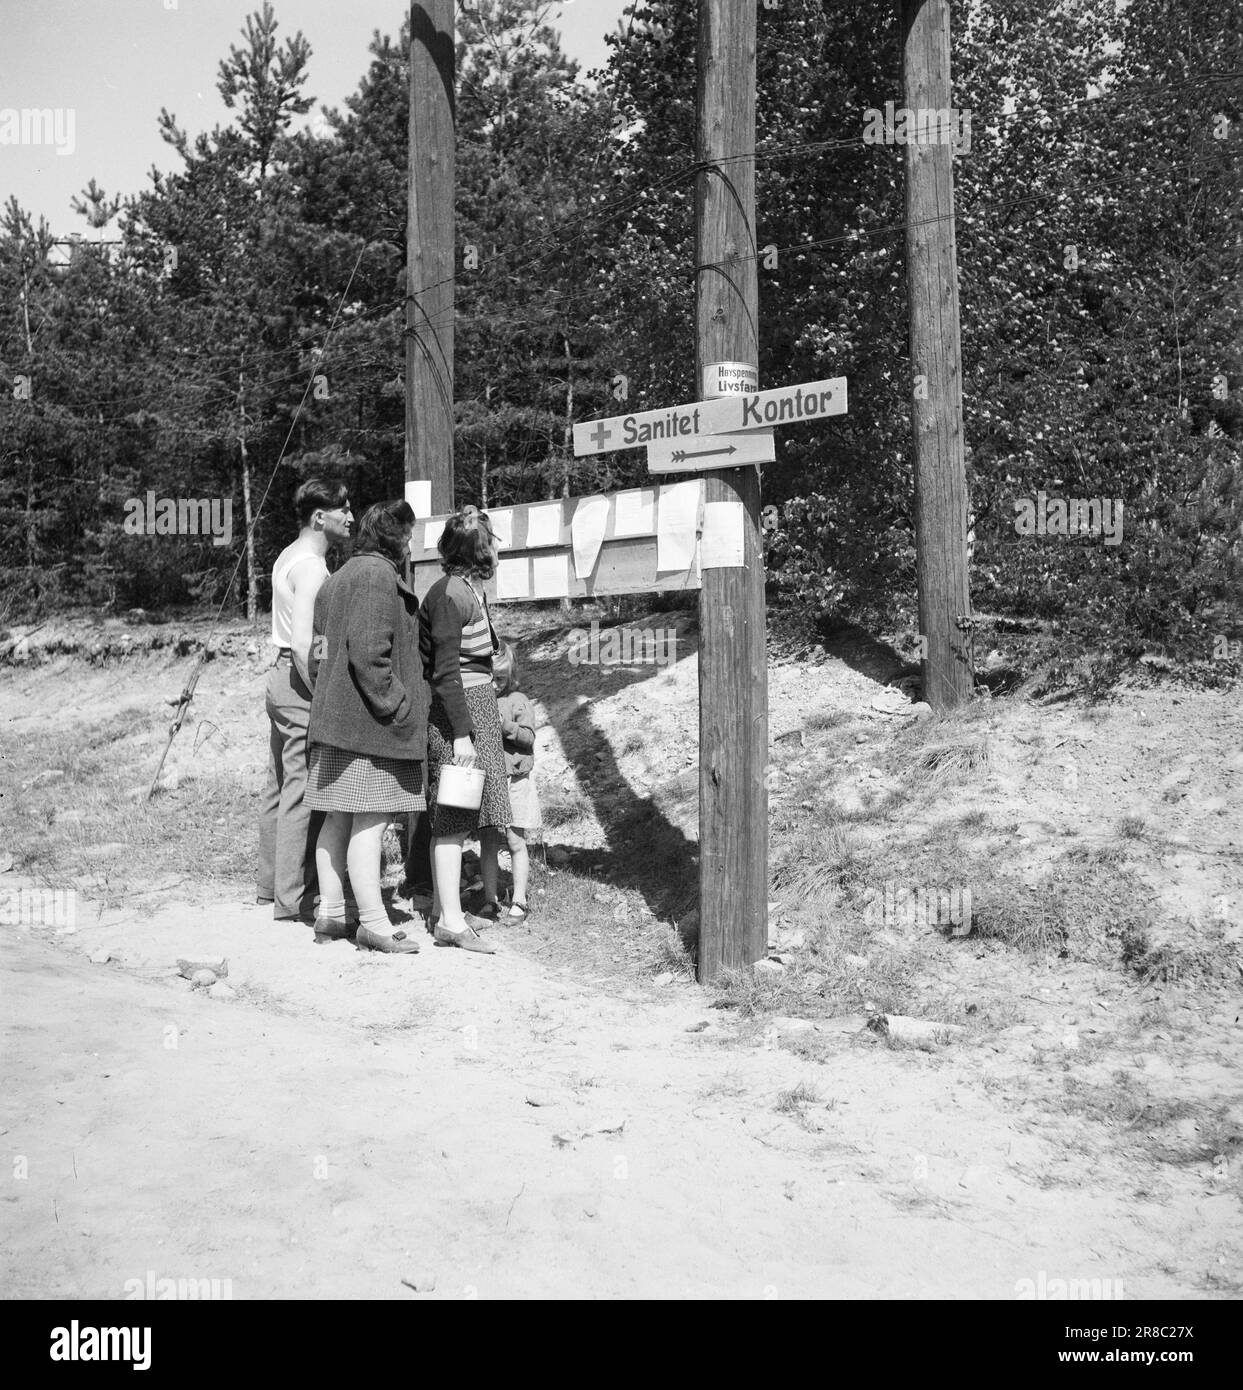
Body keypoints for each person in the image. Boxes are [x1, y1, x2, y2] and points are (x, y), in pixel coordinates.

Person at [305, 503, 429, 954]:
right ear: (394, 538)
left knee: (337, 816)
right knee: (371, 821)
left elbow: (318, 654)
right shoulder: (377, 576)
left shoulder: (334, 580)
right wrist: (399, 706)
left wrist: (329, 702)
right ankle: (374, 923)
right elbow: (369, 655)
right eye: (409, 535)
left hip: (335, 722)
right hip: (370, 726)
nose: (411, 545)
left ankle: (332, 913)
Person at [257, 477, 352, 924]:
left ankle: (269, 886)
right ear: (320, 517)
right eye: (343, 508)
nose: (350, 516)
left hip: (278, 678)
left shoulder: (287, 555)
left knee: (278, 787)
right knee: (300, 792)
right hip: (298, 681)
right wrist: (320, 694)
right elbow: (303, 644)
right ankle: (292, 899)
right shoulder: (313, 566)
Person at [419, 507, 510, 954]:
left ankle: (444, 910)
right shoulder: (450, 595)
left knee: (460, 816)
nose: (498, 546)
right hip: (459, 712)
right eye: (492, 539)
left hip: (476, 708)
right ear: (478, 549)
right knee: (453, 816)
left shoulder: (468, 590)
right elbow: (446, 672)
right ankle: (450, 923)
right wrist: (460, 734)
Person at [478, 641, 538, 924]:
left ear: (511, 676)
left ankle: (519, 899)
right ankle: (490, 900)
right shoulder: (480, 699)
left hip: (515, 779)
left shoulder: (519, 700)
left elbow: (528, 738)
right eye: (489, 677)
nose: (494, 685)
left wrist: (506, 726)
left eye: (500, 678)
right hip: (489, 780)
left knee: (515, 840)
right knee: (488, 841)